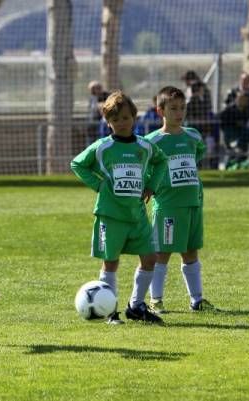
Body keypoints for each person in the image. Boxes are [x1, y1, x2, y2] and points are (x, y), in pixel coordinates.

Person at [71, 91, 167, 325]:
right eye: (116, 120)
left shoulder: (144, 146)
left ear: (134, 117)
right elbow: (77, 164)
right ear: (109, 123)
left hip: (137, 215)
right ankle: (110, 311)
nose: (121, 123)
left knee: (150, 258)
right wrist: (99, 184)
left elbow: (162, 161)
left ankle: (136, 306)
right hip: (110, 216)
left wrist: (151, 186)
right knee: (111, 262)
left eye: (125, 118)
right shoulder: (102, 147)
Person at [145, 86, 216, 314]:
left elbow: (199, 154)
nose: (179, 113)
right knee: (161, 253)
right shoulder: (152, 141)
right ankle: (155, 300)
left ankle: (197, 300)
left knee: (191, 251)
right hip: (168, 206)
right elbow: (146, 167)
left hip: (193, 202)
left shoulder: (193, 135)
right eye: (173, 108)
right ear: (160, 111)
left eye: (182, 108)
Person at [219, 92, 249, 169]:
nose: (242, 101)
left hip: (243, 133)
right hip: (232, 133)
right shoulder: (229, 110)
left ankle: (241, 148)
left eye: (244, 99)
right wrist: (235, 123)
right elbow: (222, 120)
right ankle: (237, 147)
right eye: (240, 99)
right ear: (237, 99)